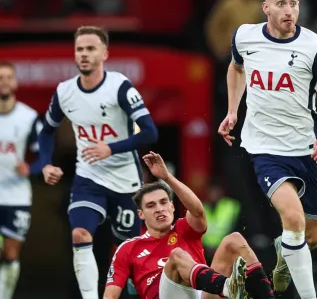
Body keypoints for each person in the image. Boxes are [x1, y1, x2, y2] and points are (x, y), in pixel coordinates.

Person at [218, 0, 317, 299]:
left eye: (294, 3)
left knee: (312, 236)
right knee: (292, 217)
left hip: (307, 148)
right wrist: (233, 110)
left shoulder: (314, 47)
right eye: (281, 3)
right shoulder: (245, 37)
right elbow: (236, 68)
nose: (289, 10)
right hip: (264, 148)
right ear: (266, 8)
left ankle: (284, 251)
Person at [38, 26, 159, 299]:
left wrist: (111, 148)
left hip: (125, 181)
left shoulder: (120, 87)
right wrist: (46, 162)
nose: (84, 54)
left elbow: (151, 132)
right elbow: (46, 130)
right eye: (79, 49)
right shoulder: (65, 92)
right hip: (88, 179)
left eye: (90, 49)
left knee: (129, 252)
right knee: (80, 234)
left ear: (104, 53)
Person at [104, 152, 275, 299]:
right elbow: (110, 295)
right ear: (140, 214)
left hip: (203, 293)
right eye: (151, 205)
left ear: (172, 207)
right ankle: (228, 287)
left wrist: (167, 178)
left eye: (164, 202)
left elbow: (198, 212)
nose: (159, 209)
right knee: (177, 255)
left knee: (234, 240)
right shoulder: (129, 248)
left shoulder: (184, 229)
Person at [0, 62, 43, 298]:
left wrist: (31, 167)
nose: (4, 82)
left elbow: (43, 153)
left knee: (11, 252)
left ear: (15, 82)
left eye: (8, 77)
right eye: (0, 77)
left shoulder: (28, 117)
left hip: (16, 195)